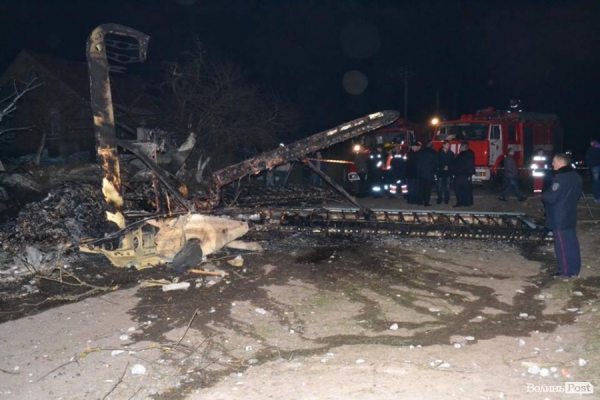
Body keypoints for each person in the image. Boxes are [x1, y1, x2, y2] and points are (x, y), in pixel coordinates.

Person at [542, 153, 583, 277]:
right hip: (570, 214)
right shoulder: (576, 176)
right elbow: (577, 195)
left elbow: (552, 197)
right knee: (571, 242)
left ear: (560, 163)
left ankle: (565, 271)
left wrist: (544, 195)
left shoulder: (560, 178)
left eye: (554, 162)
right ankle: (575, 268)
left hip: (559, 216)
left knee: (562, 245)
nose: (552, 164)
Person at [416, 141, 438, 206]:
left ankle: (419, 201)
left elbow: (418, 163)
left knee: (421, 188)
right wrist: (434, 172)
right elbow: (436, 163)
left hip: (422, 173)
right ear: (432, 146)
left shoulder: (421, 152)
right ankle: (426, 202)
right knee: (428, 189)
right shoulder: (433, 153)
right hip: (430, 173)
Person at [453, 143, 475, 207]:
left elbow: (456, 165)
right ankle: (468, 202)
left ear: (463, 148)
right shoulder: (471, 154)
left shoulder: (461, 156)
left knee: (459, 189)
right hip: (467, 174)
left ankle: (460, 202)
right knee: (467, 189)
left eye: (460, 147)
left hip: (460, 174)